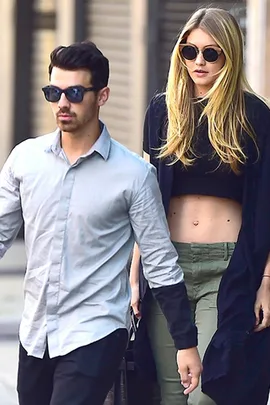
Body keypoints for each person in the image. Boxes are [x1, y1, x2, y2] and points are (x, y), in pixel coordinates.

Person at [0, 41, 202, 405]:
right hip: (36, 334)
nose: (62, 103)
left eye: (75, 92)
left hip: (96, 331)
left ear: (102, 95)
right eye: (54, 92)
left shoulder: (134, 175)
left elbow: (160, 261)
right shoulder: (25, 160)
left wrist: (185, 343)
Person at [130, 7, 270, 405]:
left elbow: (265, 204)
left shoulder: (253, 115)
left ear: (230, 54)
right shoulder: (162, 111)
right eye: (189, 52)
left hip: (226, 270)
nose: (199, 62)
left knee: (208, 392)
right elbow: (146, 198)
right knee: (171, 395)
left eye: (211, 53)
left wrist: (266, 281)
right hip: (167, 268)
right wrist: (136, 271)